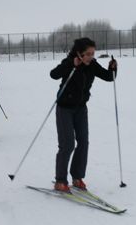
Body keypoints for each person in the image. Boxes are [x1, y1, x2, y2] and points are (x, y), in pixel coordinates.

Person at [50, 37, 117, 192]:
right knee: (67, 145)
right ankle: (60, 180)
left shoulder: (92, 65)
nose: (91, 57)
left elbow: (109, 77)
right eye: (87, 54)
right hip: (64, 108)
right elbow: (53, 74)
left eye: (93, 54)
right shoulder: (69, 62)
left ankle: (77, 177)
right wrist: (71, 65)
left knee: (83, 142)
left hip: (81, 109)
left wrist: (113, 68)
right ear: (79, 53)